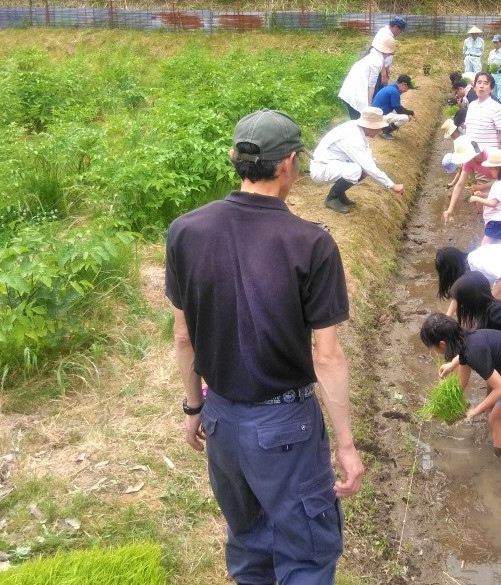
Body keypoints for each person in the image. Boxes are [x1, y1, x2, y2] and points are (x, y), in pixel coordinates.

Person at [165, 109, 365, 584]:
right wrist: (347, 445)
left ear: (235, 158)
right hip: (285, 427)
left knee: (249, 543)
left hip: (222, 420)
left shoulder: (186, 230)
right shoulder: (311, 244)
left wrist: (195, 407)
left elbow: (183, 335)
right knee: (307, 555)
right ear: (289, 164)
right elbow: (327, 356)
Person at [420, 313, 501, 457]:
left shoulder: (473, 352)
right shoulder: (465, 339)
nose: (435, 351)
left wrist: (476, 410)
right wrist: (442, 407)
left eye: (433, 348)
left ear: (442, 344)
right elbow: (461, 382)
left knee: (495, 420)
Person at [310, 107, 405, 214]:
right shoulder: (352, 137)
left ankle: (340, 194)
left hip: (334, 163)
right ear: (369, 126)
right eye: (378, 127)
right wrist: (392, 185)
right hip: (322, 168)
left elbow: (367, 155)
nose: (380, 130)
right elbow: (368, 166)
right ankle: (332, 198)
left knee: (364, 167)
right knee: (357, 170)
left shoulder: (356, 128)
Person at [435, 244, 501, 314]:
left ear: (452, 267)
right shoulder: (466, 269)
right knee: (490, 311)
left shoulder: (476, 261)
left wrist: (487, 300)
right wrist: (447, 316)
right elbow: (459, 294)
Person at [338, 36, 395, 120]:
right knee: (359, 122)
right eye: (390, 53)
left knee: (358, 121)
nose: (389, 55)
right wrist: (368, 106)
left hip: (349, 91)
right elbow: (371, 87)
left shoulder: (372, 54)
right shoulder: (377, 61)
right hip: (355, 94)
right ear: (386, 51)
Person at [469, 148, 501, 244]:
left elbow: (493, 203)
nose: (489, 171)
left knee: (485, 246)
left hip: (496, 221)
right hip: (495, 220)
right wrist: (483, 194)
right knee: (496, 245)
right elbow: (496, 196)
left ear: (498, 169)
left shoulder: (500, 184)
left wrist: (477, 198)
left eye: (491, 168)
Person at [465, 72, 501, 153]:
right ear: (474, 87)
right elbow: (468, 131)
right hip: (470, 156)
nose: (481, 86)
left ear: (491, 89)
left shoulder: (496, 107)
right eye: (479, 82)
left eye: (485, 83)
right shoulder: (471, 106)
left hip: (489, 158)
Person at [371, 74, 415, 140]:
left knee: (401, 113)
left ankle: (383, 128)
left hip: (375, 115)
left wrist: (407, 112)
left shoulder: (391, 87)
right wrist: (411, 113)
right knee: (405, 118)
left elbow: (397, 107)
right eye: (407, 88)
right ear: (403, 84)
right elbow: (399, 110)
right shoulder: (394, 91)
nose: (406, 91)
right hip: (378, 118)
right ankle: (384, 131)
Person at [371, 16, 406, 96]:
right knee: (377, 93)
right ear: (396, 27)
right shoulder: (385, 35)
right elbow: (379, 56)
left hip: (382, 69)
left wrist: (387, 69)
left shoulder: (386, 32)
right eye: (400, 31)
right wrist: (383, 74)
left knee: (381, 91)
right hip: (379, 70)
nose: (399, 33)